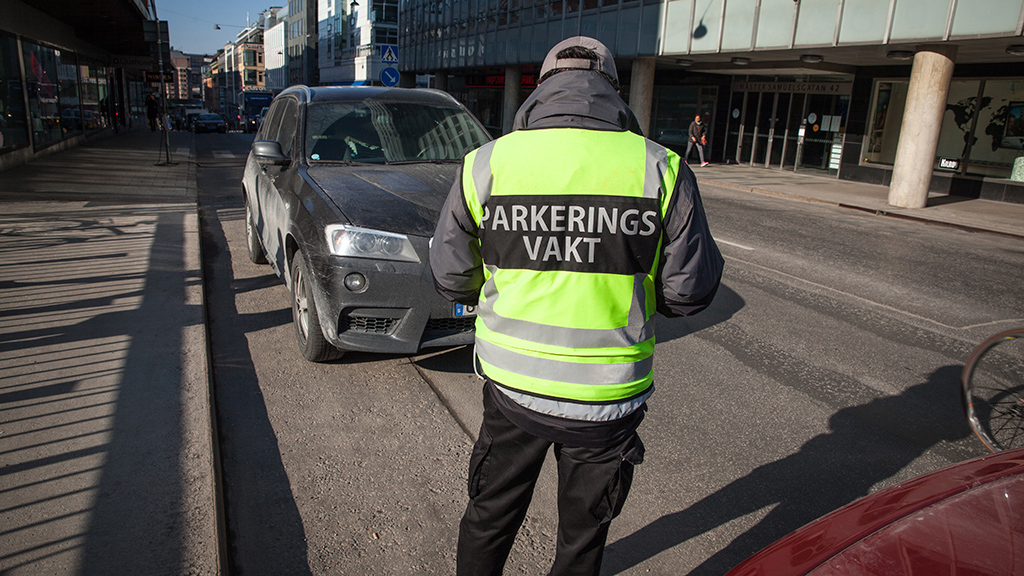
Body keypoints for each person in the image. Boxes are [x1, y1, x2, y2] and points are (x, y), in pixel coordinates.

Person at [430, 36, 724, 576]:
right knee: (582, 538)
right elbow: (690, 290)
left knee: (491, 515)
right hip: (606, 398)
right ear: (613, 89)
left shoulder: (487, 162)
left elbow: (450, 274)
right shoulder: (660, 167)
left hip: (513, 385)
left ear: (541, 88)